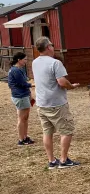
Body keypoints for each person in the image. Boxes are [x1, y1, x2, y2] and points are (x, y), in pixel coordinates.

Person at [31, 37, 80, 169]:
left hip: (41, 104)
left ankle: (52, 160)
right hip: (56, 104)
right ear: (48, 47)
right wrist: (72, 86)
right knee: (67, 131)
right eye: (52, 45)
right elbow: (62, 82)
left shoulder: (35, 62)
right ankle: (63, 160)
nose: (53, 47)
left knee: (47, 132)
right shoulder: (55, 63)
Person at [7, 52, 35, 146]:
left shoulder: (19, 69)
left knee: (25, 117)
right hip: (20, 96)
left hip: (23, 95)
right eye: (25, 59)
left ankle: (25, 136)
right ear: (19, 60)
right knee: (22, 118)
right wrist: (33, 85)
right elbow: (22, 84)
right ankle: (21, 139)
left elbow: (24, 82)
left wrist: (29, 93)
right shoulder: (16, 70)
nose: (26, 61)